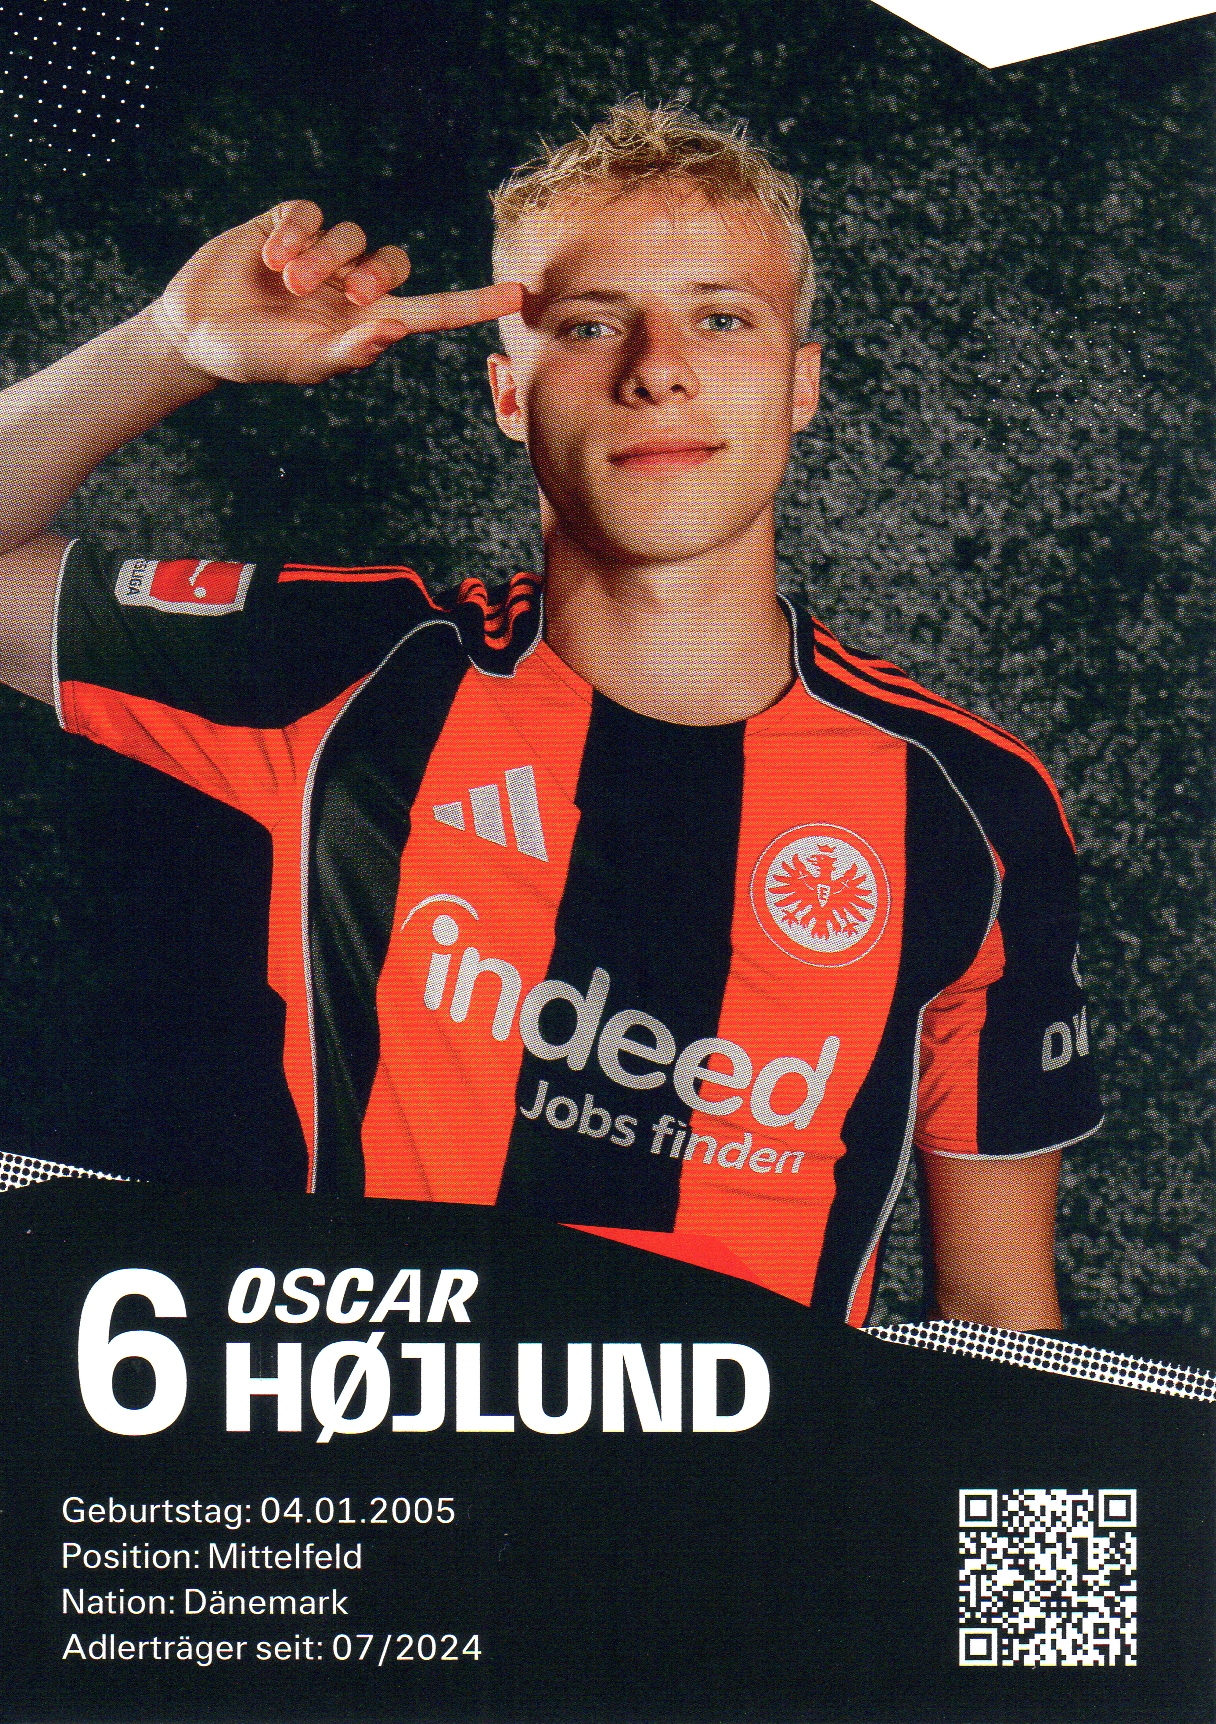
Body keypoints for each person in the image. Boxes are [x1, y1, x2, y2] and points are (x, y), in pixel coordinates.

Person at [0, 102, 1101, 1328]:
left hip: (756, 1459)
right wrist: (168, 347)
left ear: (800, 384)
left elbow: (1001, 1320)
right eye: (587, 324)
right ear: (508, 394)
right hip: (385, 1443)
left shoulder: (972, 805)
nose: (657, 368)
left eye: (720, 316)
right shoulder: (362, 672)